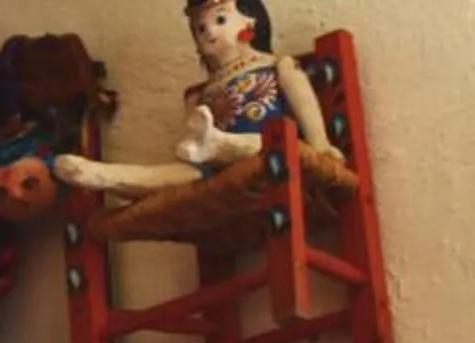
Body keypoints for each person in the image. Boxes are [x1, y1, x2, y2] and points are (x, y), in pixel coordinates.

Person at [54, 0, 340, 200]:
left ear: (250, 20)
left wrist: (321, 144)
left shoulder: (278, 64)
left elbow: (303, 105)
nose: (210, 32)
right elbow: (189, 153)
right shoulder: (202, 94)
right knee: (171, 176)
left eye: (220, 19)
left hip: (271, 147)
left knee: (274, 140)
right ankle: (100, 175)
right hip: (210, 166)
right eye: (200, 28)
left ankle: (215, 143)